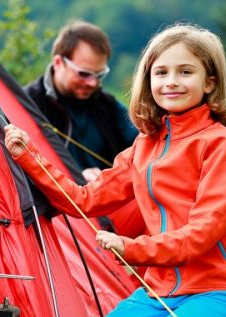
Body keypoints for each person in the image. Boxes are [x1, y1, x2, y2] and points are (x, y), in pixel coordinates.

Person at [5, 23, 226, 317]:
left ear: (209, 82)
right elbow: (84, 199)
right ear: (148, 80)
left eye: (185, 72)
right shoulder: (144, 146)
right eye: (160, 72)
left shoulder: (220, 146)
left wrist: (131, 248)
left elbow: (203, 233)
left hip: (221, 289)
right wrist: (29, 156)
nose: (171, 82)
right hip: (162, 289)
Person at [25, 20, 143, 237]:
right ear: (59, 62)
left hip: (110, 210)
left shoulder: (107, 104)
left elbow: (143, 147)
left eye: (99, 75)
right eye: (84, 74)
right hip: (58, 217)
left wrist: (109, 177)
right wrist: (76, 175)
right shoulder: (27, 104)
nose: (92, 83)